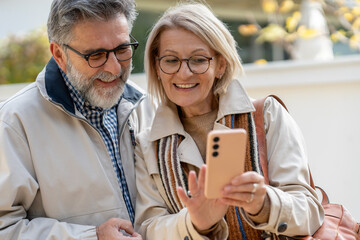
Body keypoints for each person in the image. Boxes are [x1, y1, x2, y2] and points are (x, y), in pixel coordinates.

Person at [134, 2, 324, 239]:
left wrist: (263, 204)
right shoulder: (147, 145)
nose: (184, 73)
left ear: (221, 65)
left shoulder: (266, 115)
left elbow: (311, 212)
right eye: (171, 60)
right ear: (157, 67)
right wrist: (196, 223)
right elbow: (148, 229)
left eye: (198, 59)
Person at [0, 0, 153, 239]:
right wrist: (93, 236)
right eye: (96, 55)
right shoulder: (14, 122)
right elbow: (4, 227)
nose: (114, 68)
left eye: (122, 49)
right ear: (59, 54)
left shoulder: (145, 104)